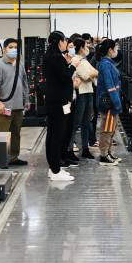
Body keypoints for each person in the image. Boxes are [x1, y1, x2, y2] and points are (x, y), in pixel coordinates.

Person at [43, 31, 81, 181]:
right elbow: (65, 76)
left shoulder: (50, 56)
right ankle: (55, 170)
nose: (66, 43)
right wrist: (73, 66)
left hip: (54, 101)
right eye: (65, 40)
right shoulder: (56, 57)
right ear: (59, 41)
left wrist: (67, 64)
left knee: (53, 134)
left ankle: (53, 168)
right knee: (57, 135)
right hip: (59, 102)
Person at [0, 38, 30, 166]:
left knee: (16, 133)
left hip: (18, 106)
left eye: (16, 47)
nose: (13, 50)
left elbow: (24, 83)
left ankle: (13, 157)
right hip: (4, 107)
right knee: (2, 134)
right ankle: (0, 159)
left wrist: (26, 99)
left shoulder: (20, 64)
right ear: (4, 49)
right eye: (10, 47)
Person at [96, 39, 123, 166]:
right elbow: (110, 86)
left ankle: (108, 152)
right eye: (115, 48)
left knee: (111, 129)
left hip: (111, 102)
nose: (116, 51)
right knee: (107, 129)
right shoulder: (106, 64)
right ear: (110, 50)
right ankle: (103, 155)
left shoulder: (108, 63)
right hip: (109, 102)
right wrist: (116, 102)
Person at [71, 37, 98, 159]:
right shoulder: (75, 60)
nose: (87, 48)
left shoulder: (85, 61)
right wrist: (90, 75)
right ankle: (69, 149)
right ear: (81, 48)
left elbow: (95, 72)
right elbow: (87, 76)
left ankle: (85, 149)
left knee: (86, 122)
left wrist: (90, 75)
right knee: (76, 123)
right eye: (85, 46)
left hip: (89, 92)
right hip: (80, 94)